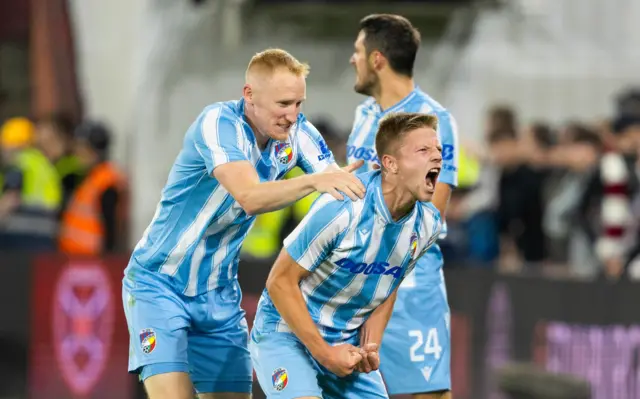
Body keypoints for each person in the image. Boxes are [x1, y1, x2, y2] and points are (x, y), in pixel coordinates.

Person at [121, 48, 366, 399]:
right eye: (283, 104)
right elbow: (249, 196)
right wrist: (313, 182)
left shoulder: (299, 133)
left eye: (299, 104)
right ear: (249, 95)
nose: (292, 116)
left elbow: (339, 188)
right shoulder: (217, 124)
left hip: (219, 295)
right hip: (160, 285)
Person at [250, 112, 444, 399]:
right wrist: (325, 354)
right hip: (285, 335)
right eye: (424, 150)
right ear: (390, 164)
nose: (437, 157)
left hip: (343, 345)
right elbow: (279, 281)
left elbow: (387, 286)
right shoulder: (343, 206)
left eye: (439, 150)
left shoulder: (428, 224)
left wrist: (371, 346)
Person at [347, 14, 459, 398]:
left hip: (409, 285)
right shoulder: (364, 117)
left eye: (358, 51)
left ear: (377, 60)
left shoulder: (434, 121)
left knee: (427, 394)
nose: (352, 60)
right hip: (355, 279)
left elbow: (432, 212)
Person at [58, 121, 127, 256]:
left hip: (92, 260)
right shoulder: (89, 178)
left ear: (94, 151)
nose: (77, 152)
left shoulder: (106, 180)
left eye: (81, 148)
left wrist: (108, 260)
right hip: (74, 258)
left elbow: (110, 227)